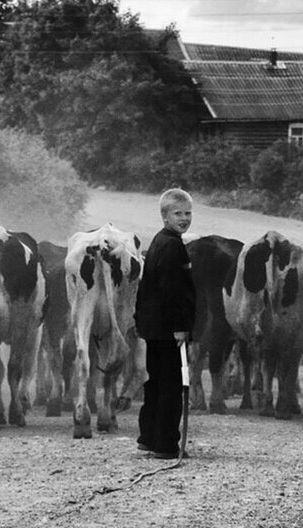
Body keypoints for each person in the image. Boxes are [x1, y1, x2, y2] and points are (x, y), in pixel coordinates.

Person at [134, 187, 197, 460]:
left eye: (188, 213)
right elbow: (174, 291)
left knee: (156, 382)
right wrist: (181, 325)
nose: (184, 218)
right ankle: (167, 445)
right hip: (169, 328)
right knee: (171, 385)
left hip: (153, 327)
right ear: (165, 216)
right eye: (178, 213)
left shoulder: (160, 240)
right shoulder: (173, 246)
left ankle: (148, 438)